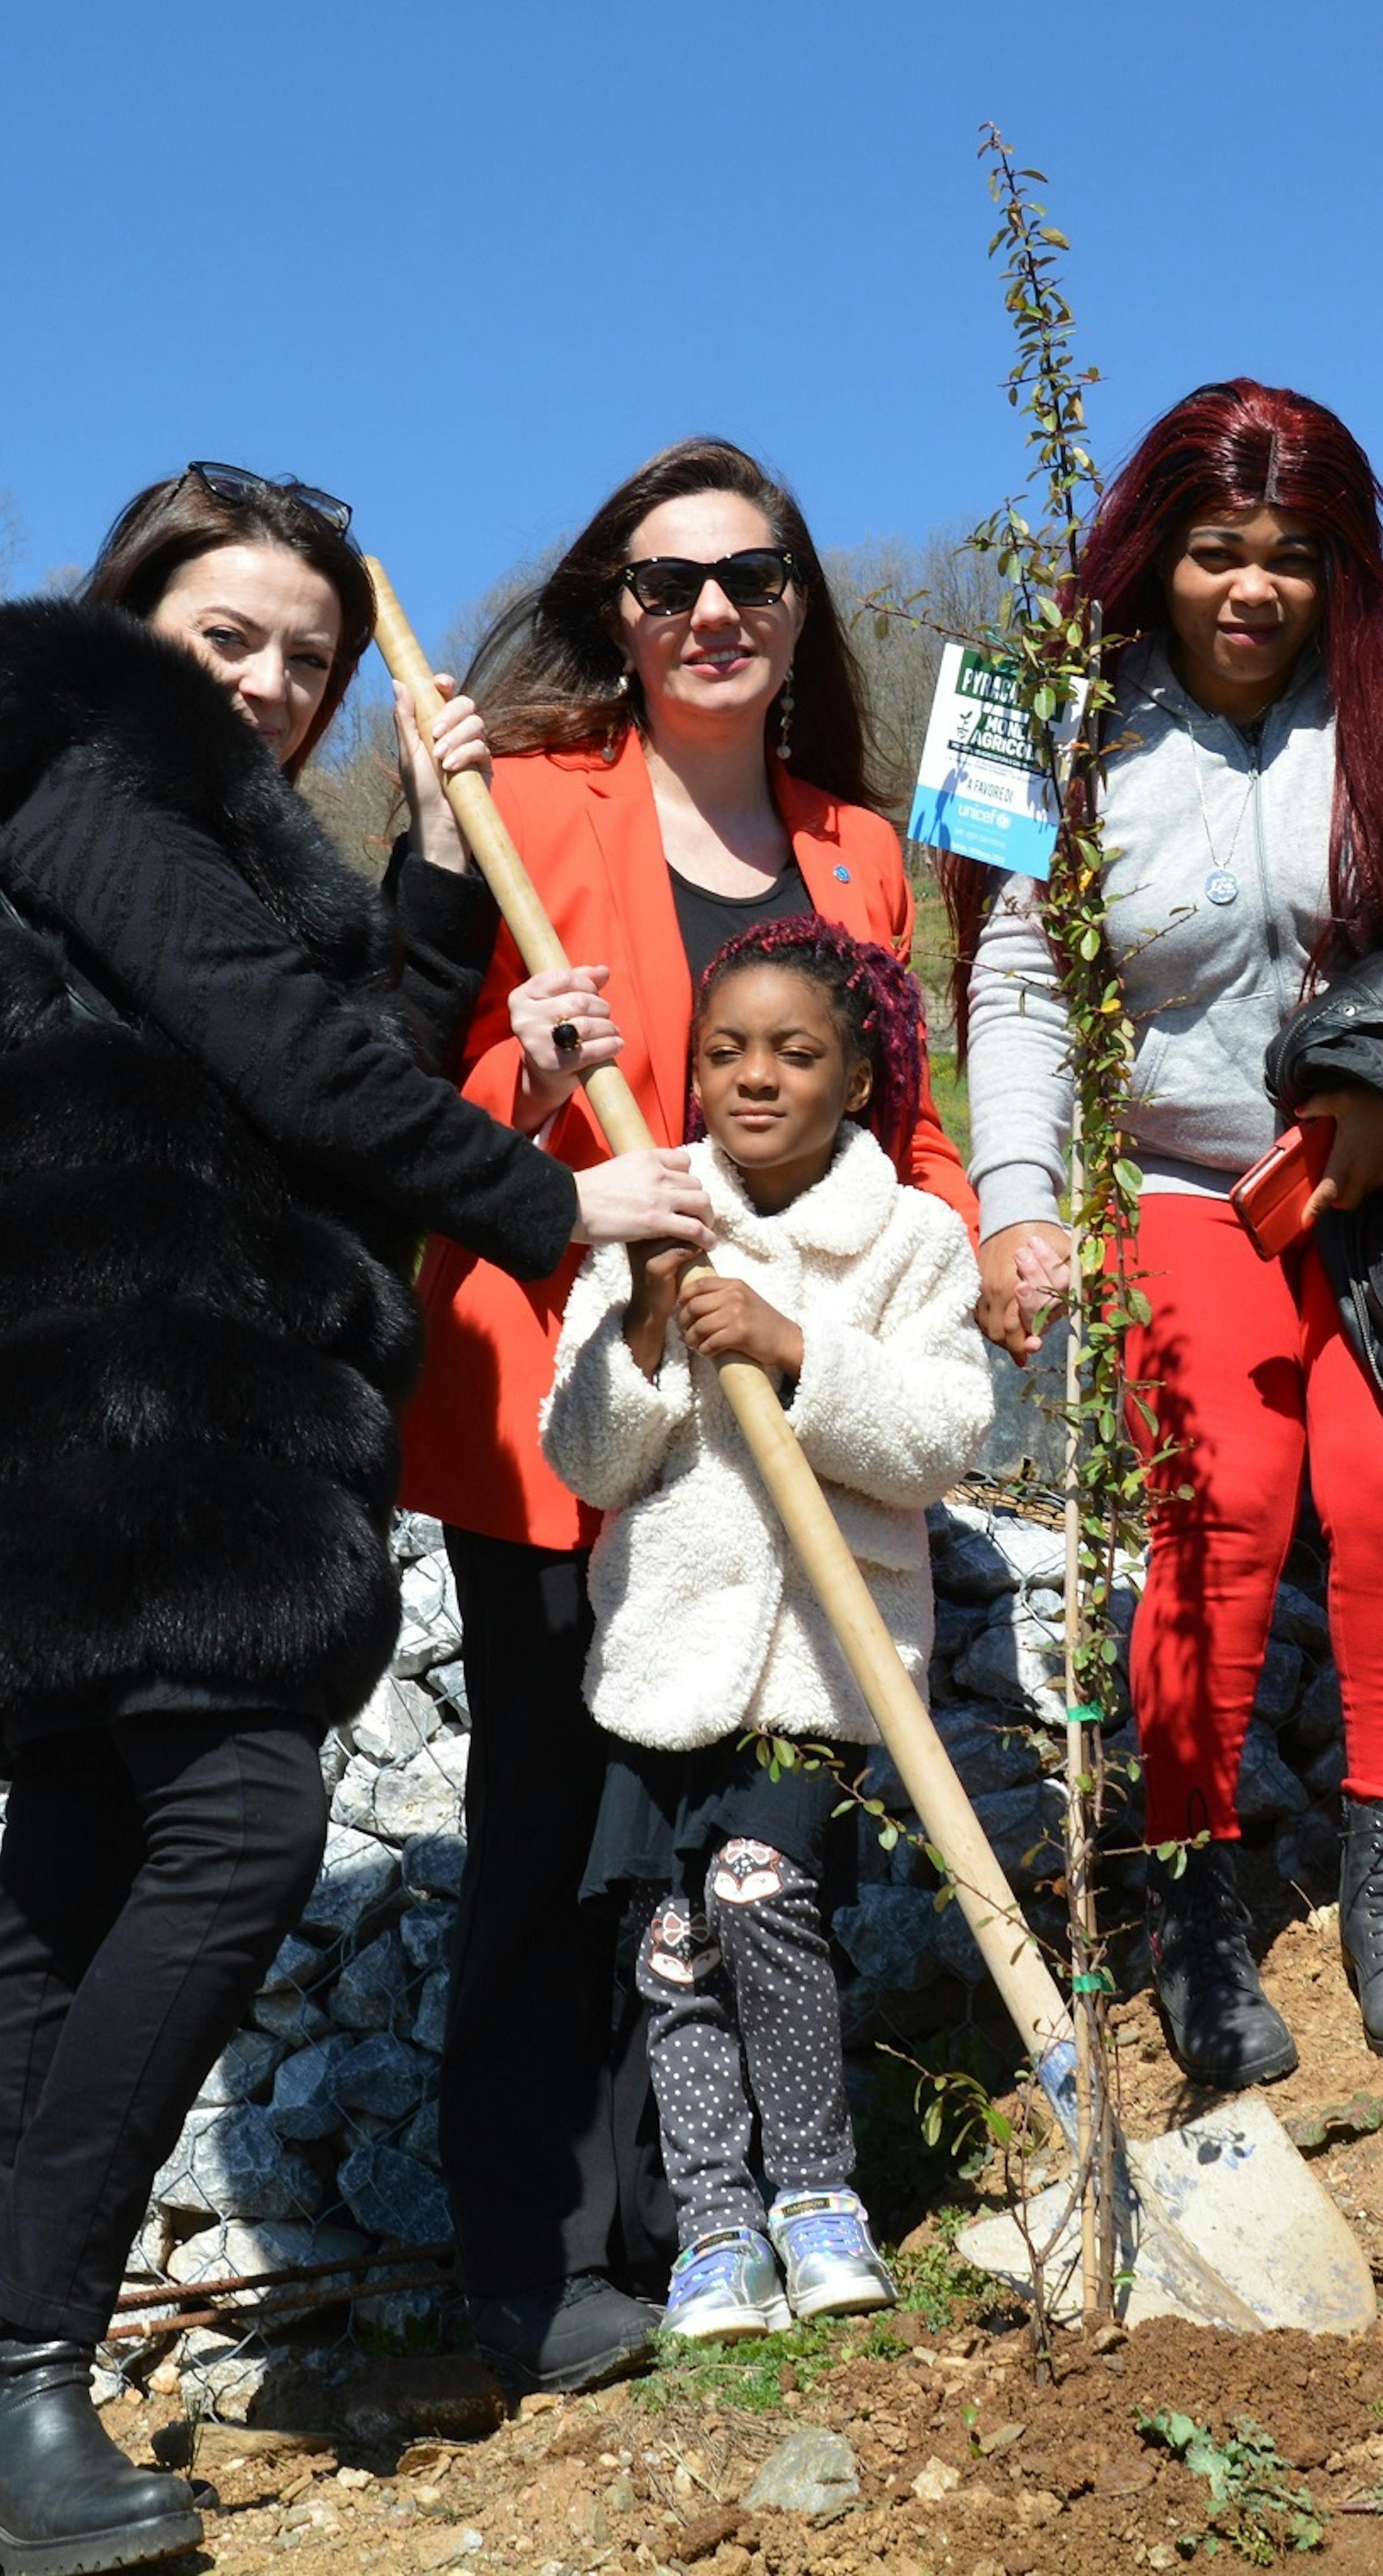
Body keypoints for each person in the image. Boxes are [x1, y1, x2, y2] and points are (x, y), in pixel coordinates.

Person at [0, 464, 711, 2573]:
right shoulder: (69, 755)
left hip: (125, 1386)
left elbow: (316, 1088)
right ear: (130, 622)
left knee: (73, 1881)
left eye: (310, 658)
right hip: (114, 1387)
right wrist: (555, 1193)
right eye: (232, 638)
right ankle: (28, 2381)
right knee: (236, 1827)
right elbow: (293, 1061)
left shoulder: (152, 836)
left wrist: (433, 926)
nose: (278, 685)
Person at [387, 440, 976, 2389]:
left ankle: (707, 2220)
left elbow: (903, 1139)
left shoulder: (858, 850)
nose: (710, 611)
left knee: (749, 1859)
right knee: (567, 1842)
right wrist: (541, 1095)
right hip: (585, 1411)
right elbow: (422, 1111)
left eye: (751, 575)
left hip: (781, 1452)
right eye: (665, 585)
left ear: (802, 603)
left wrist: (985, 1259)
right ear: (616, 617)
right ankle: (540, 2269)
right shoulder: (526, 810)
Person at [960, 380, 1383, 2088]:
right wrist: (1018, 1203)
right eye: (1216, 551)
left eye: (1291, 557)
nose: (1251, 591)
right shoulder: (1036, 707)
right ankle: (1193, 1901)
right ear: (1154, 550)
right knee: (1221, 1510)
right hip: (1181, 1180)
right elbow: (1011, 976)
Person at [537, 919, 991, 2339]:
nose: (753, 1078)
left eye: (794, 1053)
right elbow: (586, 1463)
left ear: (855, 1076)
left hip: (816, 1666)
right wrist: (649, 1340)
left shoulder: (911, 1244)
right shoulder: (647, 1220)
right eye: (725, 1051)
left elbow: (940, 1440)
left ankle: (814, 2193)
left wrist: (797, 1349)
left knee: (759, 1899)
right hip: (667, 1665)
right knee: (672, 1946)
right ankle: (715, 2230)